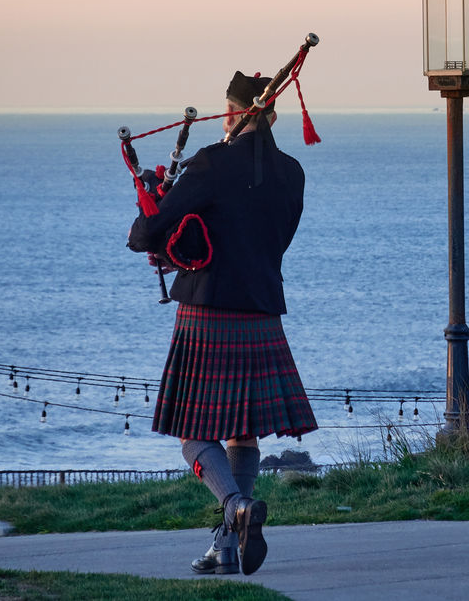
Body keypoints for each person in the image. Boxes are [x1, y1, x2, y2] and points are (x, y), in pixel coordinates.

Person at [127, 70, 318, 576]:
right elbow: (274, 240)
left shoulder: (211, 162)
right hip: (262, 312)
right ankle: (228, 551)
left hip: (207, 313)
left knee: (192, 434)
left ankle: (237, 507)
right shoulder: (293, 172)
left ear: (234, 112)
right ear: (272, 114)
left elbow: (152, 230)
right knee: (242, 434)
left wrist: (149, 209)